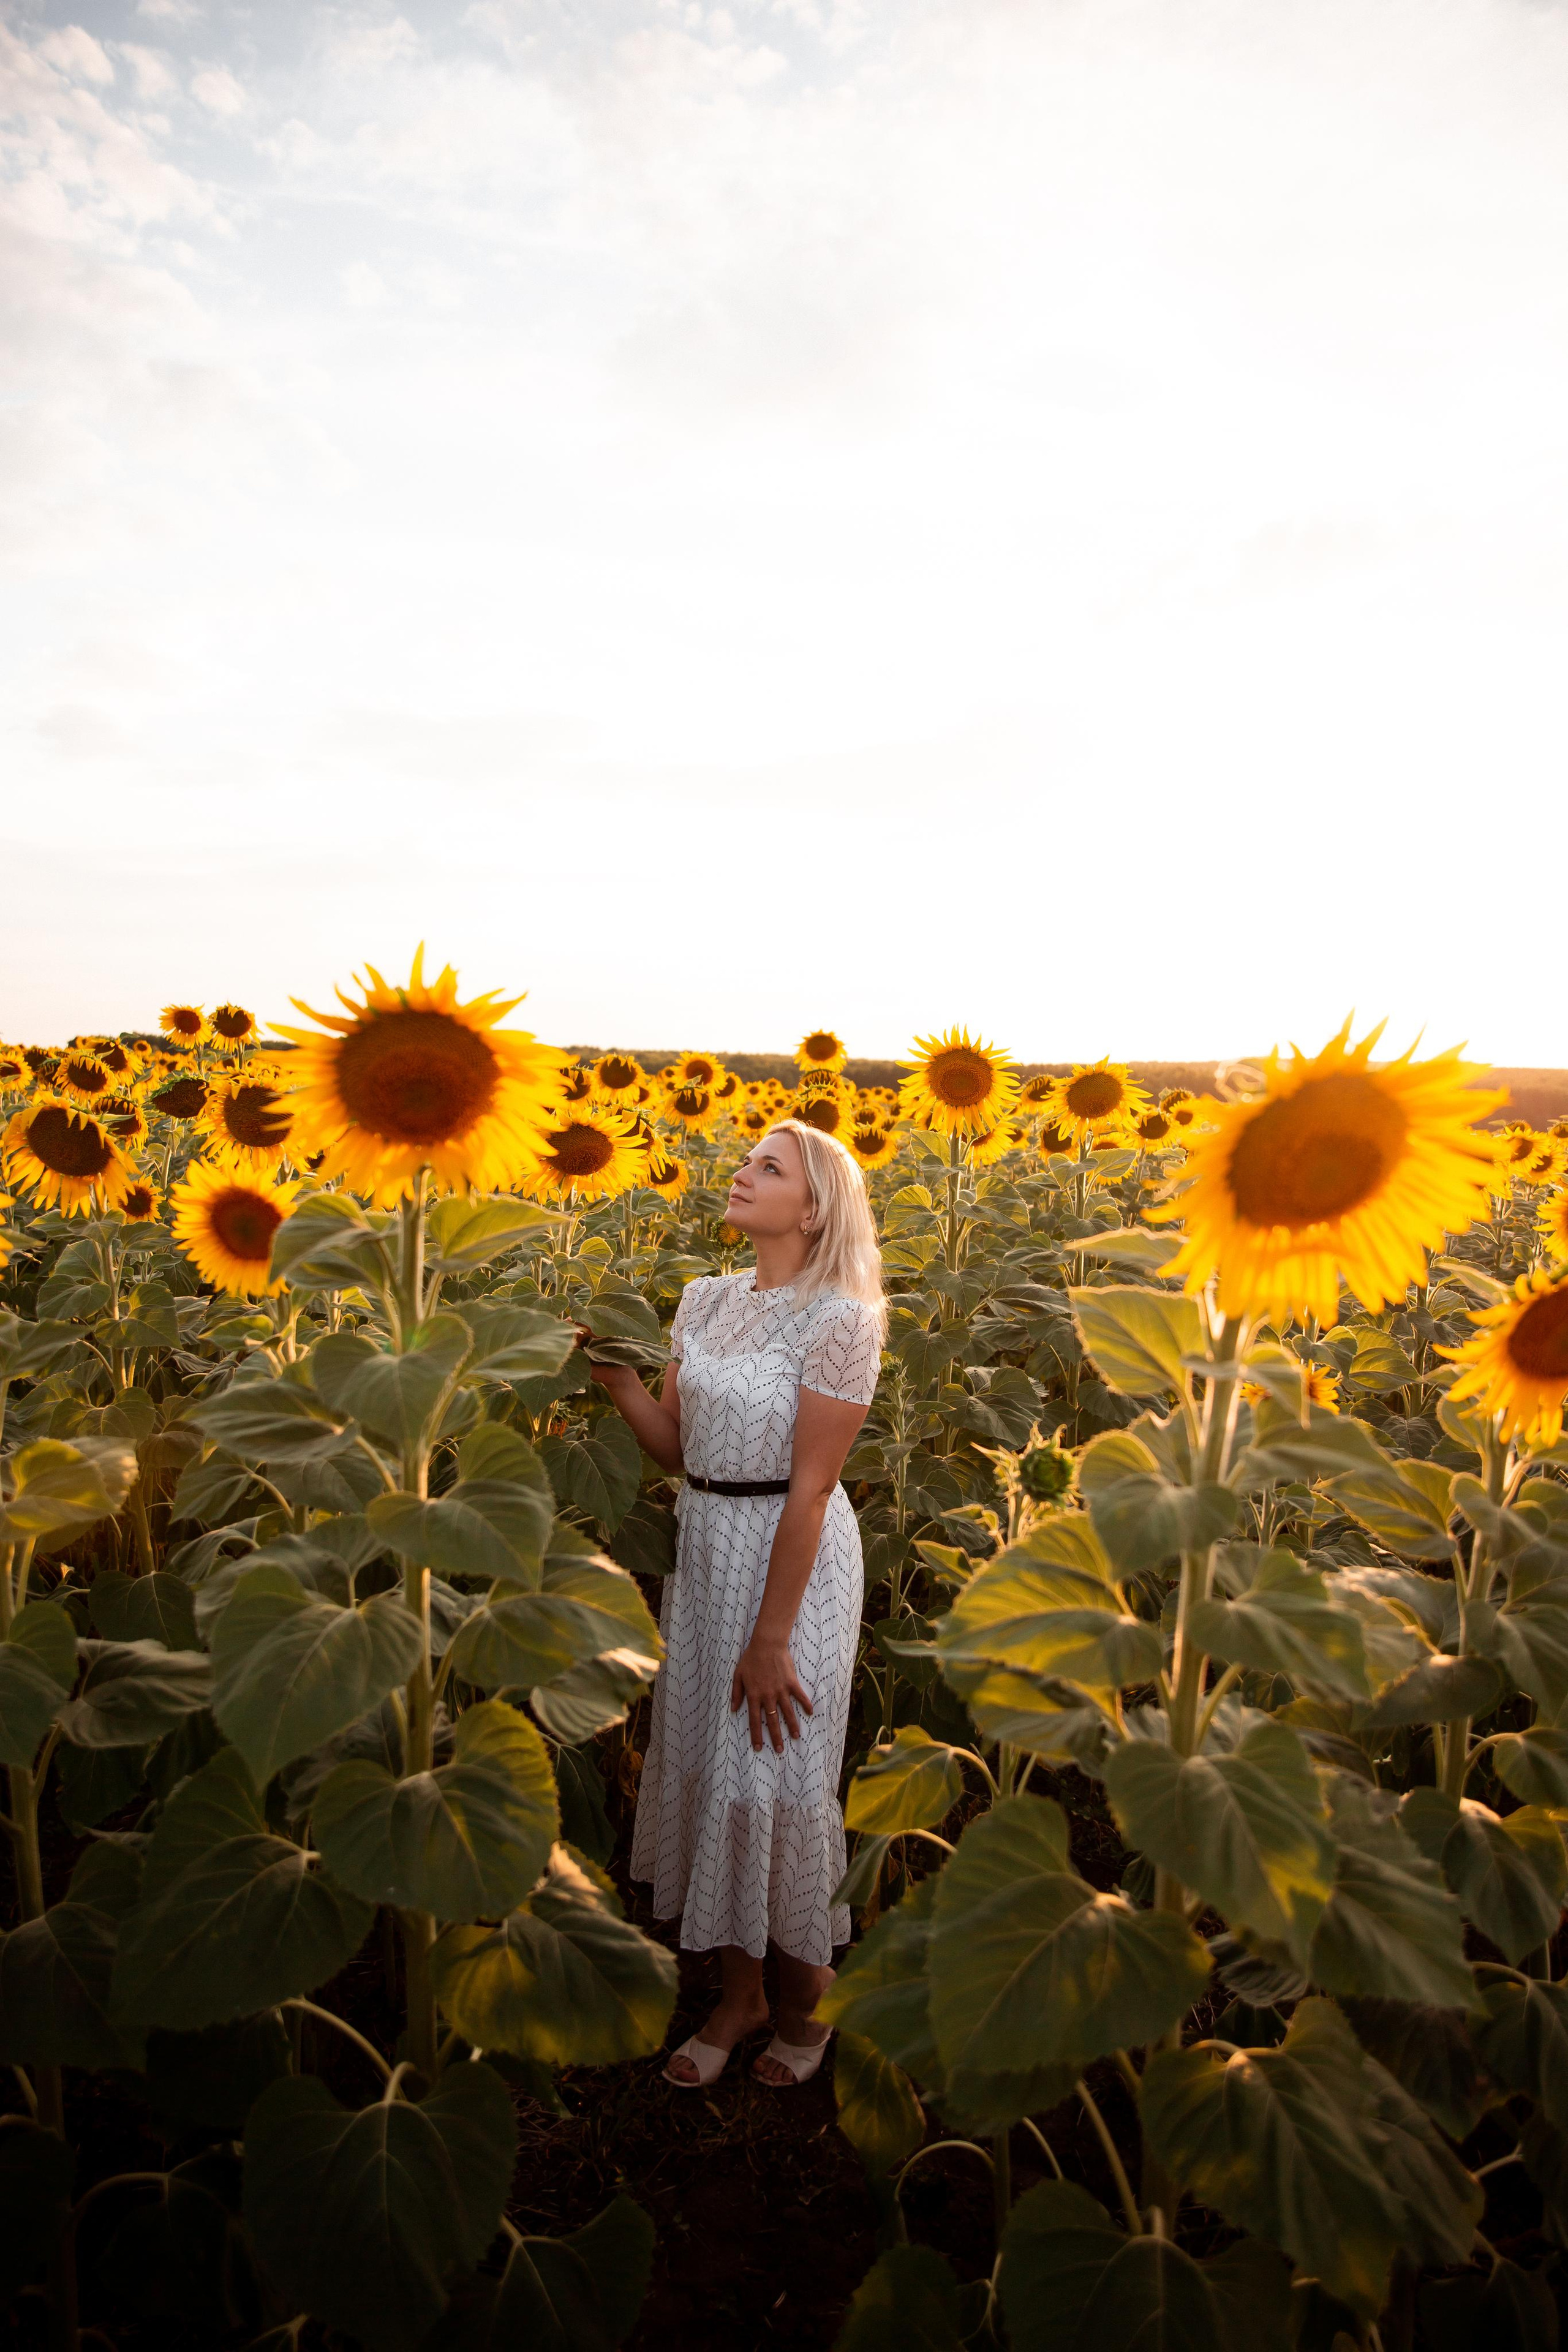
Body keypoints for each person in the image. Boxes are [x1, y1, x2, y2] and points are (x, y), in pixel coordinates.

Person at [589, 1119, 885, 2087]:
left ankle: (808, 2006)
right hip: (707, 1546)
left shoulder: (841, 1316)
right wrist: (622, 1383)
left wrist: (772, 1638)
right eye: (747, 1159)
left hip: (791, 1566)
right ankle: (739, 1994)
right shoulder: (705, 1300)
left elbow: (809, 1488)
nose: (743, 1173)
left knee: (776, 1778)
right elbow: (677, 1450)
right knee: (718, 1765)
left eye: (770, 1167)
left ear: (815, 1207)